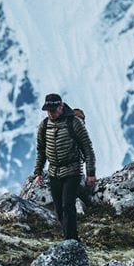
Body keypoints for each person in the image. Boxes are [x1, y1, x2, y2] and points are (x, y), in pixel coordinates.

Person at [32, 93, 96, 241]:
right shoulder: (44, 125)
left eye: (53, 110)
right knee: (59, 209)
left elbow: (87, 148)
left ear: (61, 107)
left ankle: (72, 241)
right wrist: (38, 172)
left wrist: (91, 173)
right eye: (48, 110)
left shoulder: (74, 122)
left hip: (72, 170)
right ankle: (68, 237)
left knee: (68, 206)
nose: (50, 113)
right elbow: (41, 150)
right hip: (54, 172)